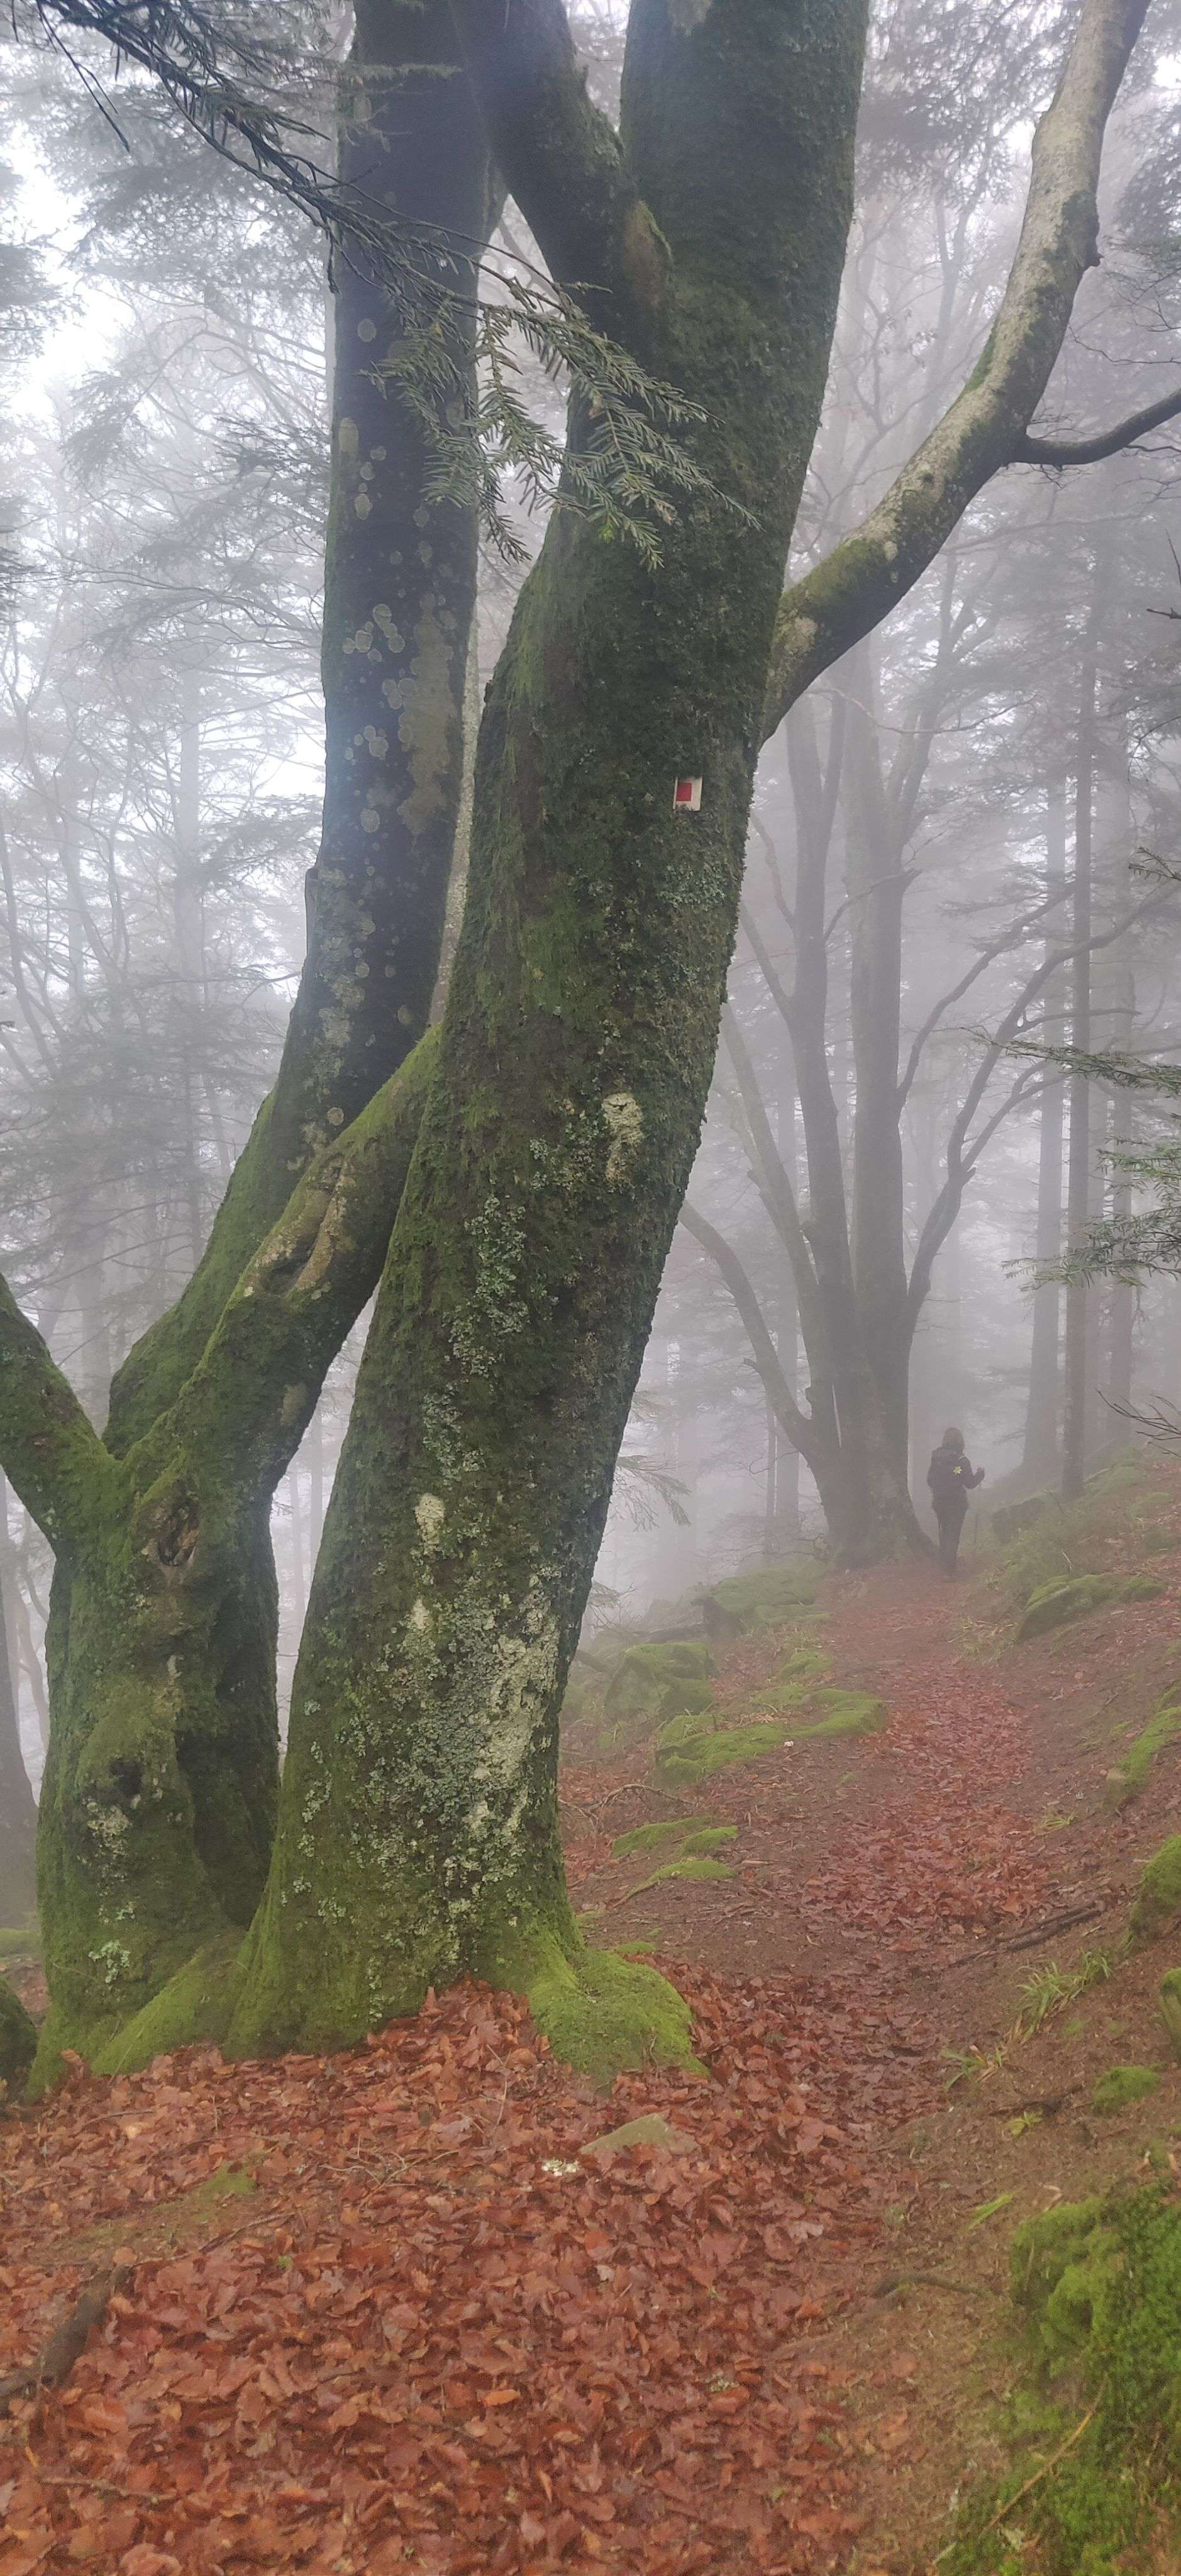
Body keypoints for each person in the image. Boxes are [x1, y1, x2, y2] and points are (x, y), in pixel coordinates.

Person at [926, 1427, 984, 1577]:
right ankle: (949, 1571)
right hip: (957, 1502)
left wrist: (939, 1489)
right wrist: (980, 1475)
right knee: (953, 1535)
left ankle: (944, 1566)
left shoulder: (937, 1457)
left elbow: (930, 1480)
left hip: (939, 1502)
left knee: (945, 1532)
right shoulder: (962, 1460)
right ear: (960, 1441)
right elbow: (970, 1484)